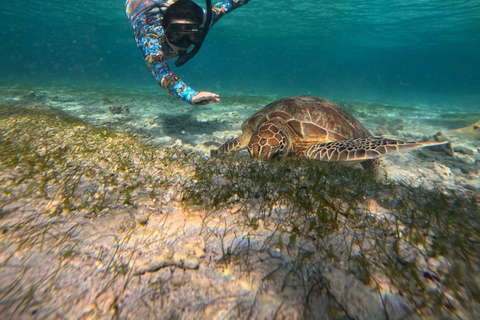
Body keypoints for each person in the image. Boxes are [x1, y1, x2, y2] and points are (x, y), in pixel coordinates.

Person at [126, 0, 251, 105]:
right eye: (176, 35)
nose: (183, 44)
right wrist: (190, 95)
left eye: (191, 36)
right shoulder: (151, 37)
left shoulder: (205, 22)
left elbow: (229, 3)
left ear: (199, 31)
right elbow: (161, 72)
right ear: (165, 31)